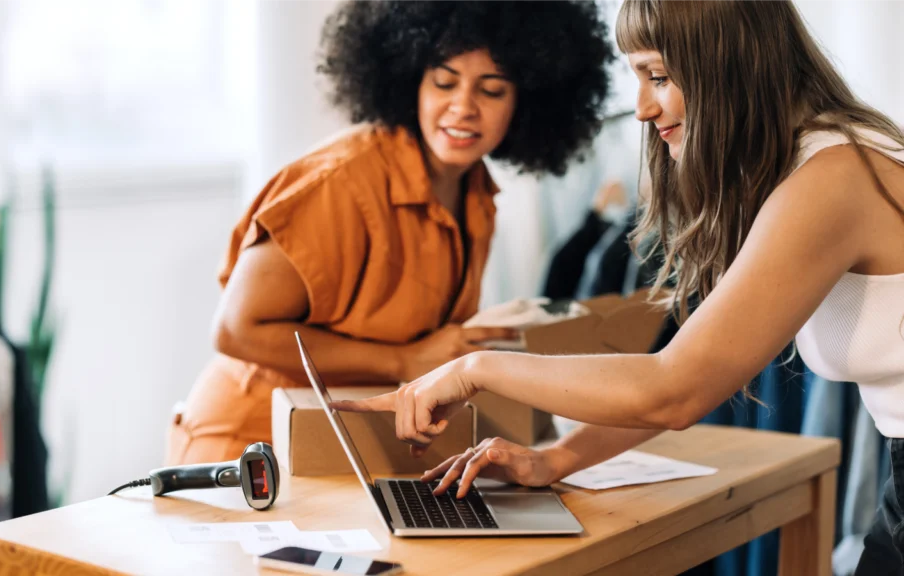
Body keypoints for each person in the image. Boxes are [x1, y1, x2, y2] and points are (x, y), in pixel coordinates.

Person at [333, 0, 904, 572]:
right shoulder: (816, 163)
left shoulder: (832, 179)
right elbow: (685, 373)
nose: (640, 108)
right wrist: (554, 459)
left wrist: (473, 369)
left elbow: (676, 389)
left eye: (657, 76)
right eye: (636, 77)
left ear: (729, 65)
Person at [165, 0, 613, 464]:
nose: (463, 107)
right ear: (410, 80)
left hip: (345, 450)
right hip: (248, 448)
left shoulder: (476, 193)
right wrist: (405, 360)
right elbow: (236, 330)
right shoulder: (339, 183)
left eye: (492, 90)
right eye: (444, 81)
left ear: (527, 102)